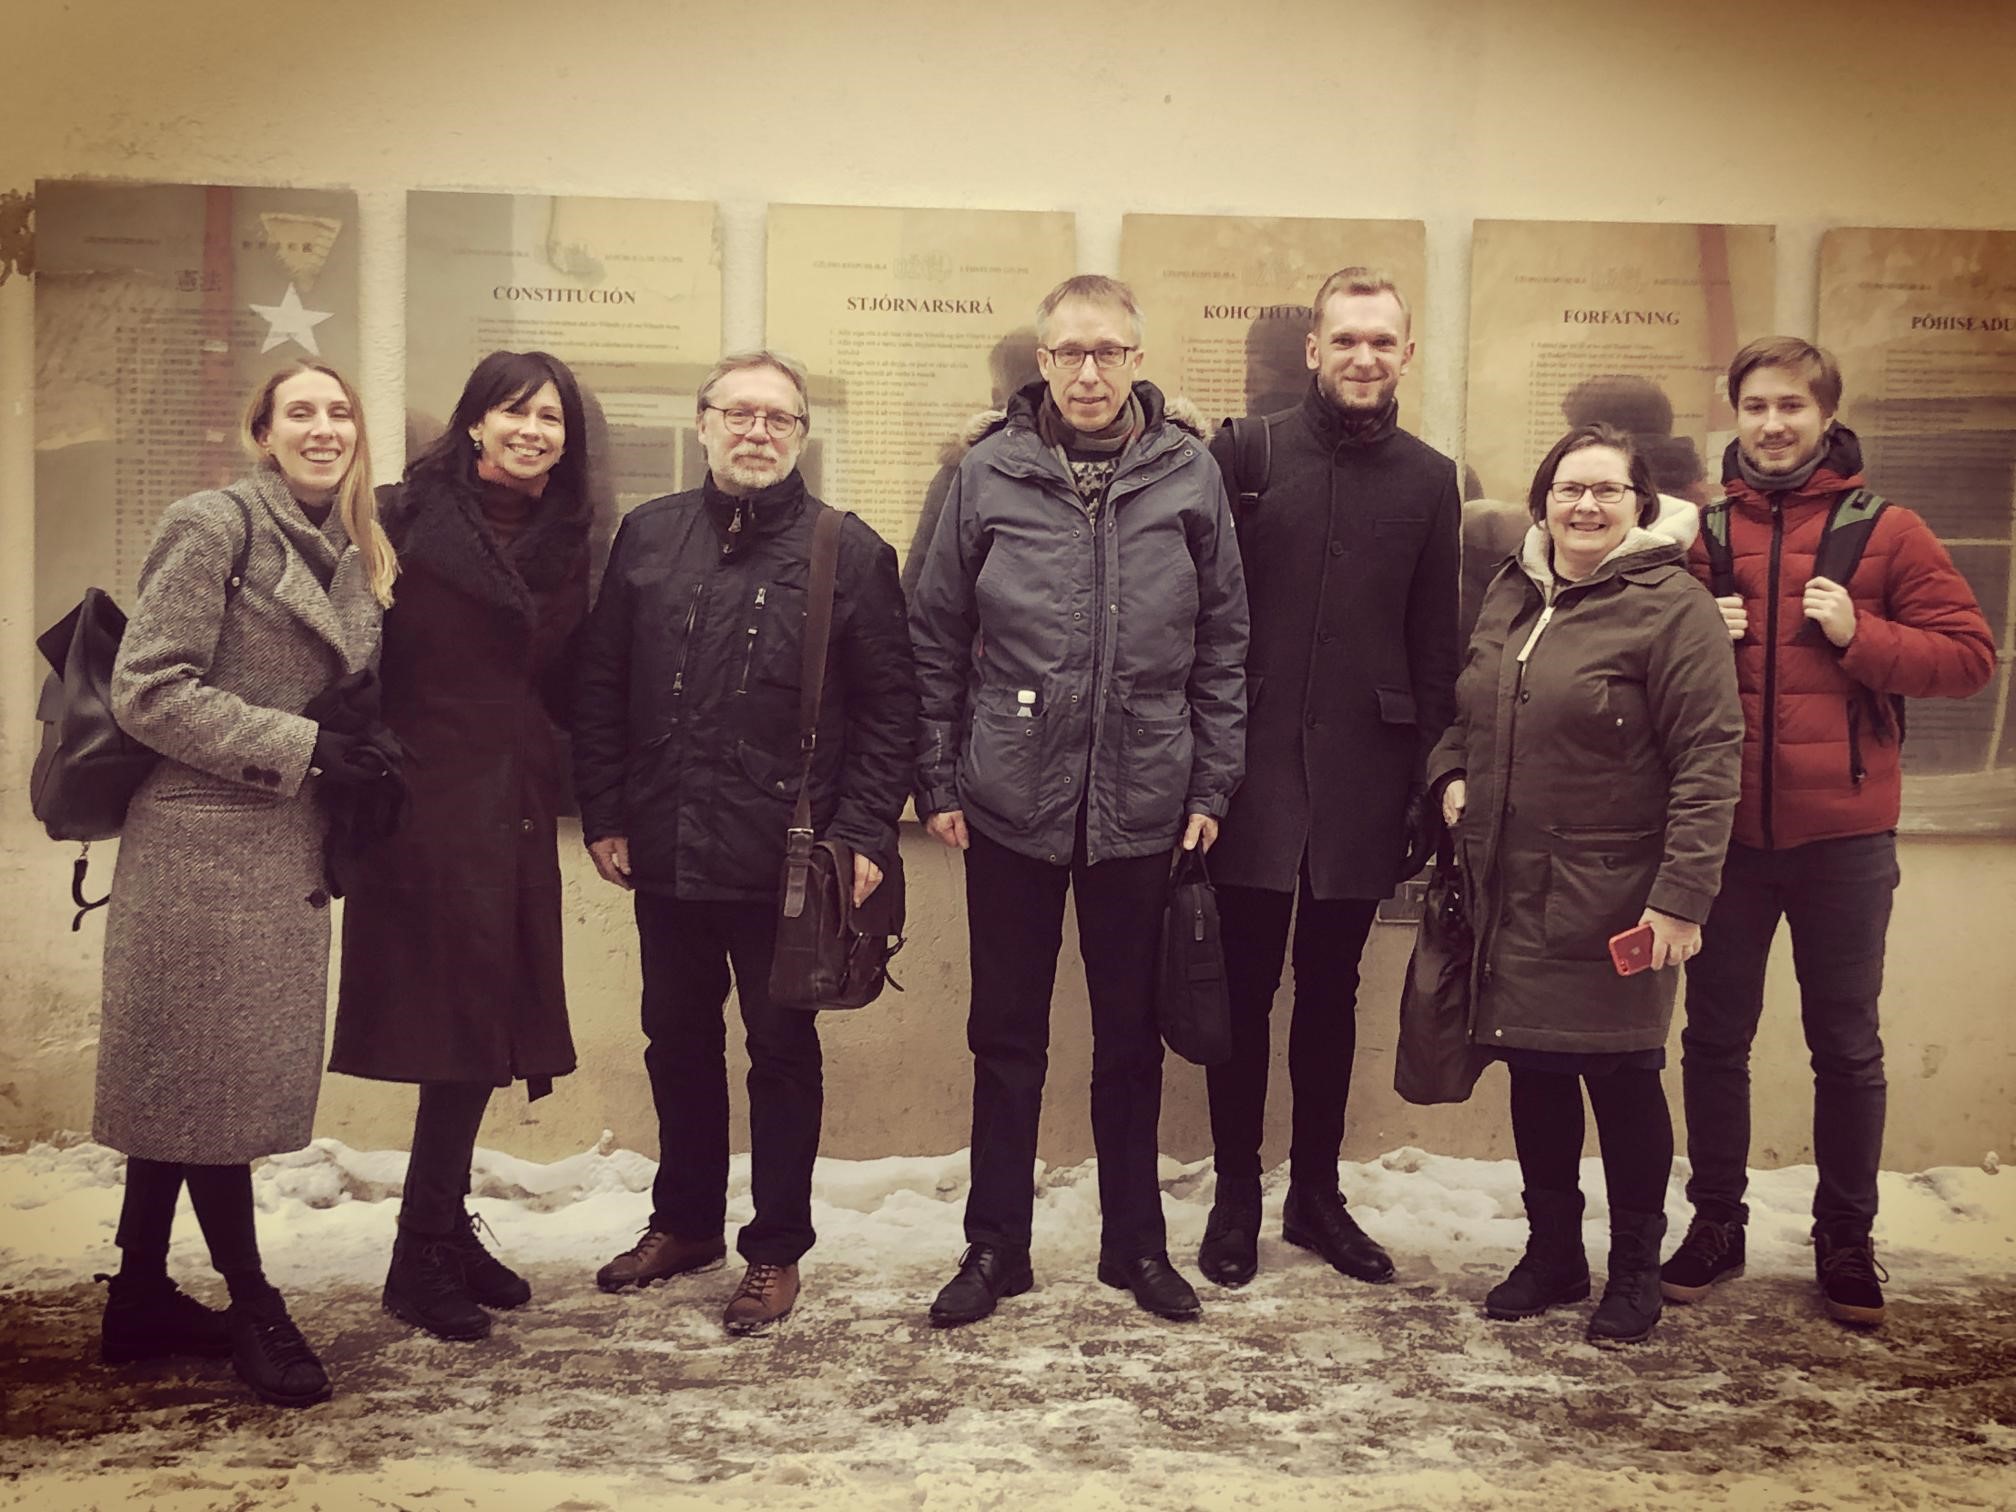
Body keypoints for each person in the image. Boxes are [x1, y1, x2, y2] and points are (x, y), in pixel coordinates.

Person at [910, 274, 1248, 1327]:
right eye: (1068, 353)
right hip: (1009, 798)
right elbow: (932, 632)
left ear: (1137, 360)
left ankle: (1133, 1246)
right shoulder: (987, 472)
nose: (1088, 372)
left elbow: (1225, 643)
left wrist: (1211, 781)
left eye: (1108, 352)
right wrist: (938, 777)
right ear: (1043, 362)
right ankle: (994, 1247)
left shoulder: (1188, 473)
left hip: (1144, 802)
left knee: (1130, 1042)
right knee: (1005, 1038)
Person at [573, 350, 916, 1337]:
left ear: (801, 435)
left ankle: (775, 1248)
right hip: (669, 850)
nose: (757, 432)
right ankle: (684, 1225)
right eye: (739, 414)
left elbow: (893, 707)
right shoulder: (648, 535)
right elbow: (602, 685)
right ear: (704, 424)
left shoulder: (847, 551)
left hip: (790, 864)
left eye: (778, 418)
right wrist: (606, 813)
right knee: (676, 1042)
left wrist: (863, 832)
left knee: (781, 1054)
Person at [1661, 337, 1996, 1326]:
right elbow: (1635, 662)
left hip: (1845, 840)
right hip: (1723, 837)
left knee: (1846, 1045)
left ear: (1826, 415)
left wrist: (1861, 635)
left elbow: (1969, 658)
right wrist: (1696, 628)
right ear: (1734, 414)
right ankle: (1716, 1222)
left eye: (1792, 407)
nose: (1773, 424)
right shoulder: (1697, 534)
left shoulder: (1888, 531)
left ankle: (1846, 1237)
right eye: (1756, 406)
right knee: (1713, 1040)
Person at [94, 361, 398, 1406]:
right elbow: (147, 689)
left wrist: (357, 747)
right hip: (200, 848)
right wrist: (305, 747)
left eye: (340, 412)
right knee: (207, 1088)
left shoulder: (356, 548)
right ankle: (254, 1302)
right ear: (263, 432)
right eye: (300, 412)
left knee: (192, 1083)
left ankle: (139, 1295)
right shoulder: (213, 524)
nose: (324, 428)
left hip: (282, 847)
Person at [1427, 423, 1742, 1347]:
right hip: (1513, 885)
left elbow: (1709, 757)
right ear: (1544, 501)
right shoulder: (1513, 590)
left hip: (1617, 895)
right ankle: (1554, 1253)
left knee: (1625, 1078)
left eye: (1608, 490)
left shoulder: (1672, 606)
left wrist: (1680, 897)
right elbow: (1470, 709)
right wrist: (1450, 773)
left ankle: (1634, 1270)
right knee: (1535, 1069)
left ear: (1641, 504)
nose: (1587, 506)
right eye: (1570, 489)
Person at [1199, 267, 1459, 1289]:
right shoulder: (1246, 454)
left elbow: (1434, 645)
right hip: (1252, 774)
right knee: (1243, 991)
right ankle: (1235, 1194)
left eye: (1381, 341)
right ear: (1313, 349)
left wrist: (1428, 779)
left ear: (1406, 355)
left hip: (1364, 778)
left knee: (1332, 992)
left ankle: (1315, 1193)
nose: (1363, 356)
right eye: (1345, 339)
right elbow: (1197, 616)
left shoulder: (1431, 479)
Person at [329, 351, 593, 1342]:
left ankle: (438, 1228)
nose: (532, 430)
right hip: (424, 802)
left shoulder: (570, 536)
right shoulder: (398, 516)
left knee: (488, 1025)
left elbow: (569, 682)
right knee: (451, 1025)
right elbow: (346, 650)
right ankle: (417, 1253)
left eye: (552, 418)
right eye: (514, 411)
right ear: (475, 420)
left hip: (513, 799)